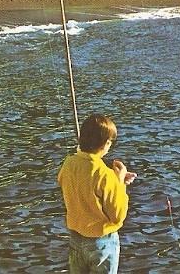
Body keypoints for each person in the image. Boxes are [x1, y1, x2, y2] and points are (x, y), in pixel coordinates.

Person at [58, 114, 137, 274]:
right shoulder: (105, 176)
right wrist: (119, 183)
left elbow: (70, 180)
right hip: (102, 243)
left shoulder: (68, 163)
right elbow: (117, 216)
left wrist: (115, 180)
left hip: (76, 239)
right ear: (106, 143)